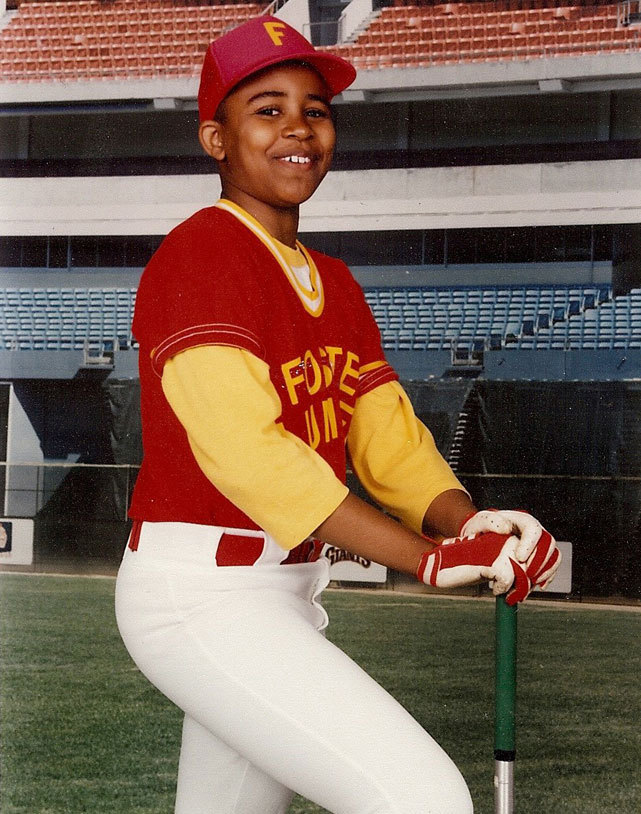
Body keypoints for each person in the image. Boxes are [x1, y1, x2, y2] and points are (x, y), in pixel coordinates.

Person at [115, 16, 560, 814]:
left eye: (315, 110)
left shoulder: (336, 283)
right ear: (215, 139)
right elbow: (250, 459)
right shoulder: (200, 256)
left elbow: (388, 440)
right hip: (201, 593)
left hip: (281, 591)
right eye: (267, 108)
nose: (297, 128)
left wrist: (467, 519)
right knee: (421, 799)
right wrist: (419, 558)